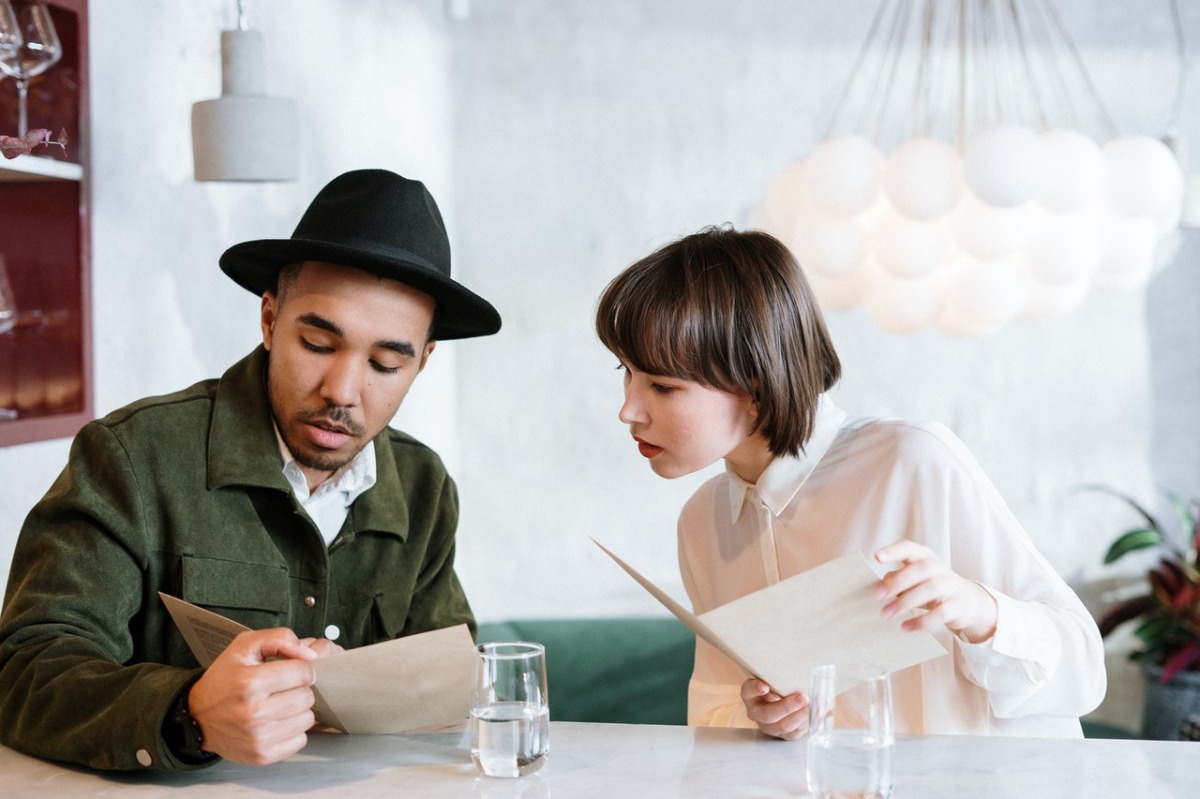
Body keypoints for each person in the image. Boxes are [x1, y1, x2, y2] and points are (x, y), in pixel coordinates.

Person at [0, 169, 501, 771]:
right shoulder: (133, 456)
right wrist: (187, 713)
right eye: (317, 344)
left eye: (386, 364)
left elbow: (448, 681)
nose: (342, 390)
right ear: (269, 320)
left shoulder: (425, 487)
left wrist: (361, 687)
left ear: (422, 363)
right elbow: (26, 669)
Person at [594, 225, 1105, 740]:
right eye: (627, 373)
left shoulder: (912, 462)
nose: (628, 410)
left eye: (662, 385)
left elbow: (1083, 671)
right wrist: (762, 718)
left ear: (753, 379)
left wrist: (978, 610)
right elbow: (714, 714)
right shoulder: (703, 522)